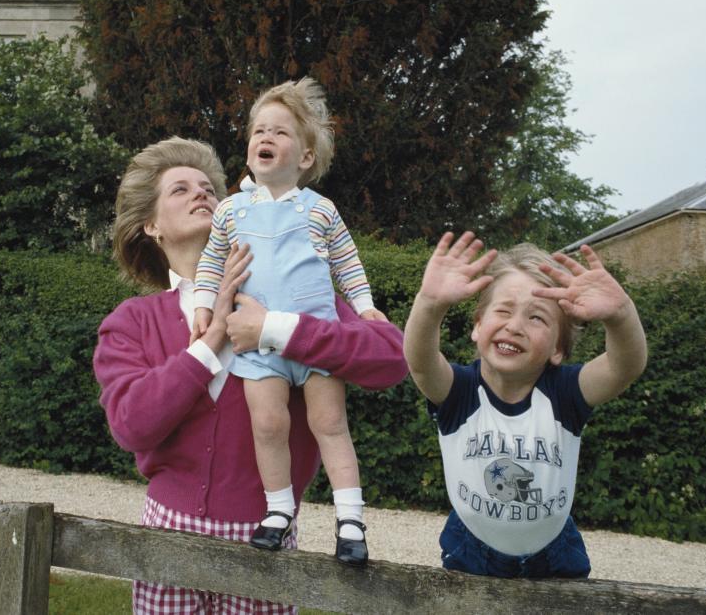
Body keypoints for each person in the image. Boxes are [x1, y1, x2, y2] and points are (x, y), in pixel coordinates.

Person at [93, 136, 408, 613]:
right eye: (180, 190)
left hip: (266, 547)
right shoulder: (132, 322)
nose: (202, 193)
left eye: (208, 188)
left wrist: (276, 329)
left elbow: (392, 359)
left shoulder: (302, 300)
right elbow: (133, 425)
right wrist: (213, 336)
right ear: (151, 225)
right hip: (165, 541)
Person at [191, 78, 384, 566]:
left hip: (317, 342)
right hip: (258, 349)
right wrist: (205, 308)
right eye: (258, 131)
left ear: (304, 158)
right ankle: (278, 511)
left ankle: (350, 519)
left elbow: (347, 264)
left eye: (279, 132)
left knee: (329, 424)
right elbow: (213, 264)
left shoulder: (321, 210)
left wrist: (363, 307)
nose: (265, 138)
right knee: (269, 425)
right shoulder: (231, 210)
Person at [403, 231, 648, 578]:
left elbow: (625, 366)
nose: (515, 326)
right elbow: (420, 361)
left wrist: (621, 315)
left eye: (537, 318)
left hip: (554, 551)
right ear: (477, 326)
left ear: (557, 349)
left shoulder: (565, 393)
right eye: (503, 310)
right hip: (472, 548)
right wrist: (429, 303)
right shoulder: (459, 391)